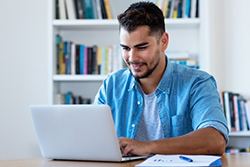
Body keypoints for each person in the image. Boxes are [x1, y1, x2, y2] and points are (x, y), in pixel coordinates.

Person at [93, 1, 228, 156]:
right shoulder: (112, 85)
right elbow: (89, 135)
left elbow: (215, 141)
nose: (132, 58)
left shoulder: (197, 84)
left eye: (141, 48)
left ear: (163, 42)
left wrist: (147, 147)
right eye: (126, 48)